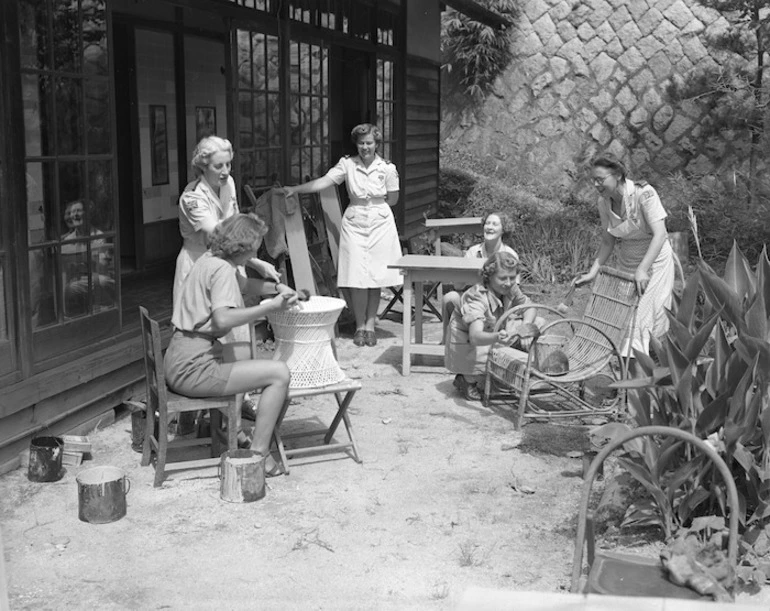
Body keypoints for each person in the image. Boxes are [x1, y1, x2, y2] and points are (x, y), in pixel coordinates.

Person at [164, 213, 298, 477]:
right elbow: (223, 317)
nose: (255, 252)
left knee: (242, 352)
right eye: (254, 246)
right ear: (241, 247)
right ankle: (258, 454)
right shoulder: (223, 270)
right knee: (280, 373)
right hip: (193, 368)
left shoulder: (209, 259)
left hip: (179, 356)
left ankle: (231, 430)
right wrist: (271, 307)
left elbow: (246, 284)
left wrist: (276, 289)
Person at [282, 123, 402, 348]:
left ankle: (370, 326)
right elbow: (324, 182)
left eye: (369, 143)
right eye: (361, 143)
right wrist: (296, 189)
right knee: (357, 276)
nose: (365, 147)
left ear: (376, 144)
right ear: (356, 144)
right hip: (355, 221)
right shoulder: (347, 164)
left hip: (380, 222)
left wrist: (374, 208)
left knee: (375, 276)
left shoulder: (387, 168)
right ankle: (359, 326)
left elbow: (393, 199)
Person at [575, 153, 676, 355]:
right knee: (625, 315)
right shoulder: (603, 203)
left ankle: (642, 373)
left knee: (642, 317)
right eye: (593, 180)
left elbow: (660, 234)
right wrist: (592, 273)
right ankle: (631, 374)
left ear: (618, 175)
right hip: (627, 260)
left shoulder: (644, 193)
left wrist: (643, 270)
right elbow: (607, 240)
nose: (596, 184)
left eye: (600, 179)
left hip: (654, 261)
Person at [174, 136, 280, 311]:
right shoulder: (192, 197)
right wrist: (256, 262)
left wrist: (250, 259)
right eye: (218, 166)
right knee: (204, 318)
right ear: (203, 167)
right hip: (199, 260)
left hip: (231, 260)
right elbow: (221, 235)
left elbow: (235, 223)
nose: (225, 171)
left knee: (232, 315)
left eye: (228, 164)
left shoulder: (228, 183)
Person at [445, 252, 538, 401]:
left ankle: (502, 369)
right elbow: (475, 337)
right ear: (489, 276)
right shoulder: (476, 297)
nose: (508, 282)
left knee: (538, 323)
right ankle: (467, 379)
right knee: (486, 363)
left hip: (495, 330)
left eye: (512, 278)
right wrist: (497, 338)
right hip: (470, 344)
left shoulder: (510, 287)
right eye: (502, 278)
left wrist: (525, 327)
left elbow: (530, 307)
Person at [442, 211, 518, 341]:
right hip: (473, 303)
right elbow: (457, 286)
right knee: (449, 297)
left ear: (503, 230)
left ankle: (498, 336)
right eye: (487, 223)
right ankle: (447, 340)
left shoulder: (510, 254)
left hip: (497, 308)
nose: (489, 227)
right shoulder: (472, 252)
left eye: (494, 224)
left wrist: (507, 319)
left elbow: (513, 292)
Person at [60, 199, 115, 316]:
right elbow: (65, 268)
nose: (74, 215)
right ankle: (72, 315)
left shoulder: (98, 235)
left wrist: (91, 274)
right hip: (77, 279)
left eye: (78, 211)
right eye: (72, 212)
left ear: (87, 214)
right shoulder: (67, 240)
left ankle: (107, 310)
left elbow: (102, 266)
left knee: (103, 281)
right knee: (69, 289)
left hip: (95, 275)